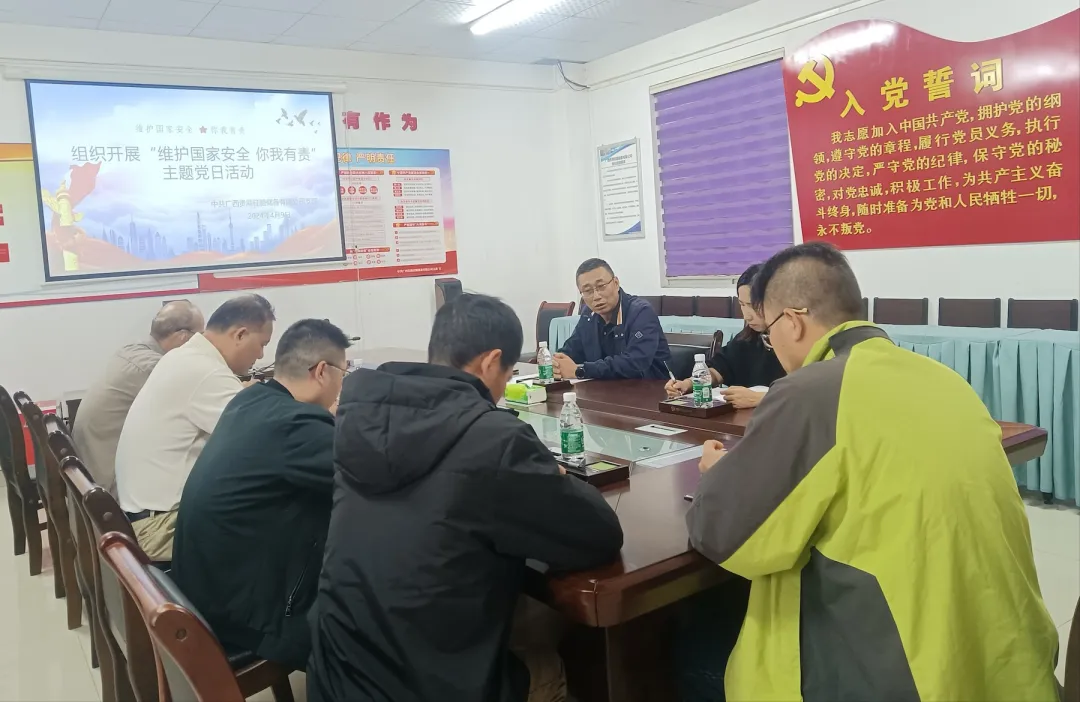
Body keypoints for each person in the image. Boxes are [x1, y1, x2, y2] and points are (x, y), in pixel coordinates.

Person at [685, 243, 1060, 701]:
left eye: (769, 333)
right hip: (1006, 664)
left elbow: (728, 535)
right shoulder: (942, 378)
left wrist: (717, 476)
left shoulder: (810, 392)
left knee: (691, 654)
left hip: (908, 676)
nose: (772, 345)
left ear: (793, 321)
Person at [307, 293, 624, 702]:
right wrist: (559, 476)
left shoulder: (361, 417)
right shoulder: (493, 439)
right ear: (491, 362)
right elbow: (599, 534)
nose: (503, 388)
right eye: (508, 374)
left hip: (338, 675)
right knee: (554, 656)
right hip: (428, 688)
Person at [172, 319, 349, 670]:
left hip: (207, 592)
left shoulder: (252, 400)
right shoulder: (296, 424)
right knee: (376, 626)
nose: (343, 383)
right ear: (322, 372)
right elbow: (369, 475)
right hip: (244, 619)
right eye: (344, 373)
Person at [114, 293, 275, 562]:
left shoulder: (183, 357)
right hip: (161, 529)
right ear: (240, 334)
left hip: (143, 515)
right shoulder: (207, 371)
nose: (261, 355)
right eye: (262, 344)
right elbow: (265, 439)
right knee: (288, 515)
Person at [72, 300, 204, 494]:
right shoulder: (154, 367)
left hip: (93, 475)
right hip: (111, 486)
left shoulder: (133, 350)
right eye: (201, 336)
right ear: (183, 337)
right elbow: (198, 409)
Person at [664, 264, 785, 408]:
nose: (747, 316)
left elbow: (804, 391)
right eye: (742, 304)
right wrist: (689, 383)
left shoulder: (793, 342)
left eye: (752, 305)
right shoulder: (747, 338)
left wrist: (762, 398)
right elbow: (719, 370)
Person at [553, 258, 671, 380]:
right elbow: (571, 350)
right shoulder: (589, 315)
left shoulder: (641, 312)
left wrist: (581, 371)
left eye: (601, 286)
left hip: (649, 387)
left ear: (616, 283)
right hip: (604, 388)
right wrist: (557, 364)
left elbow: (635, 363)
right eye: (588, 291)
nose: (596, 296)